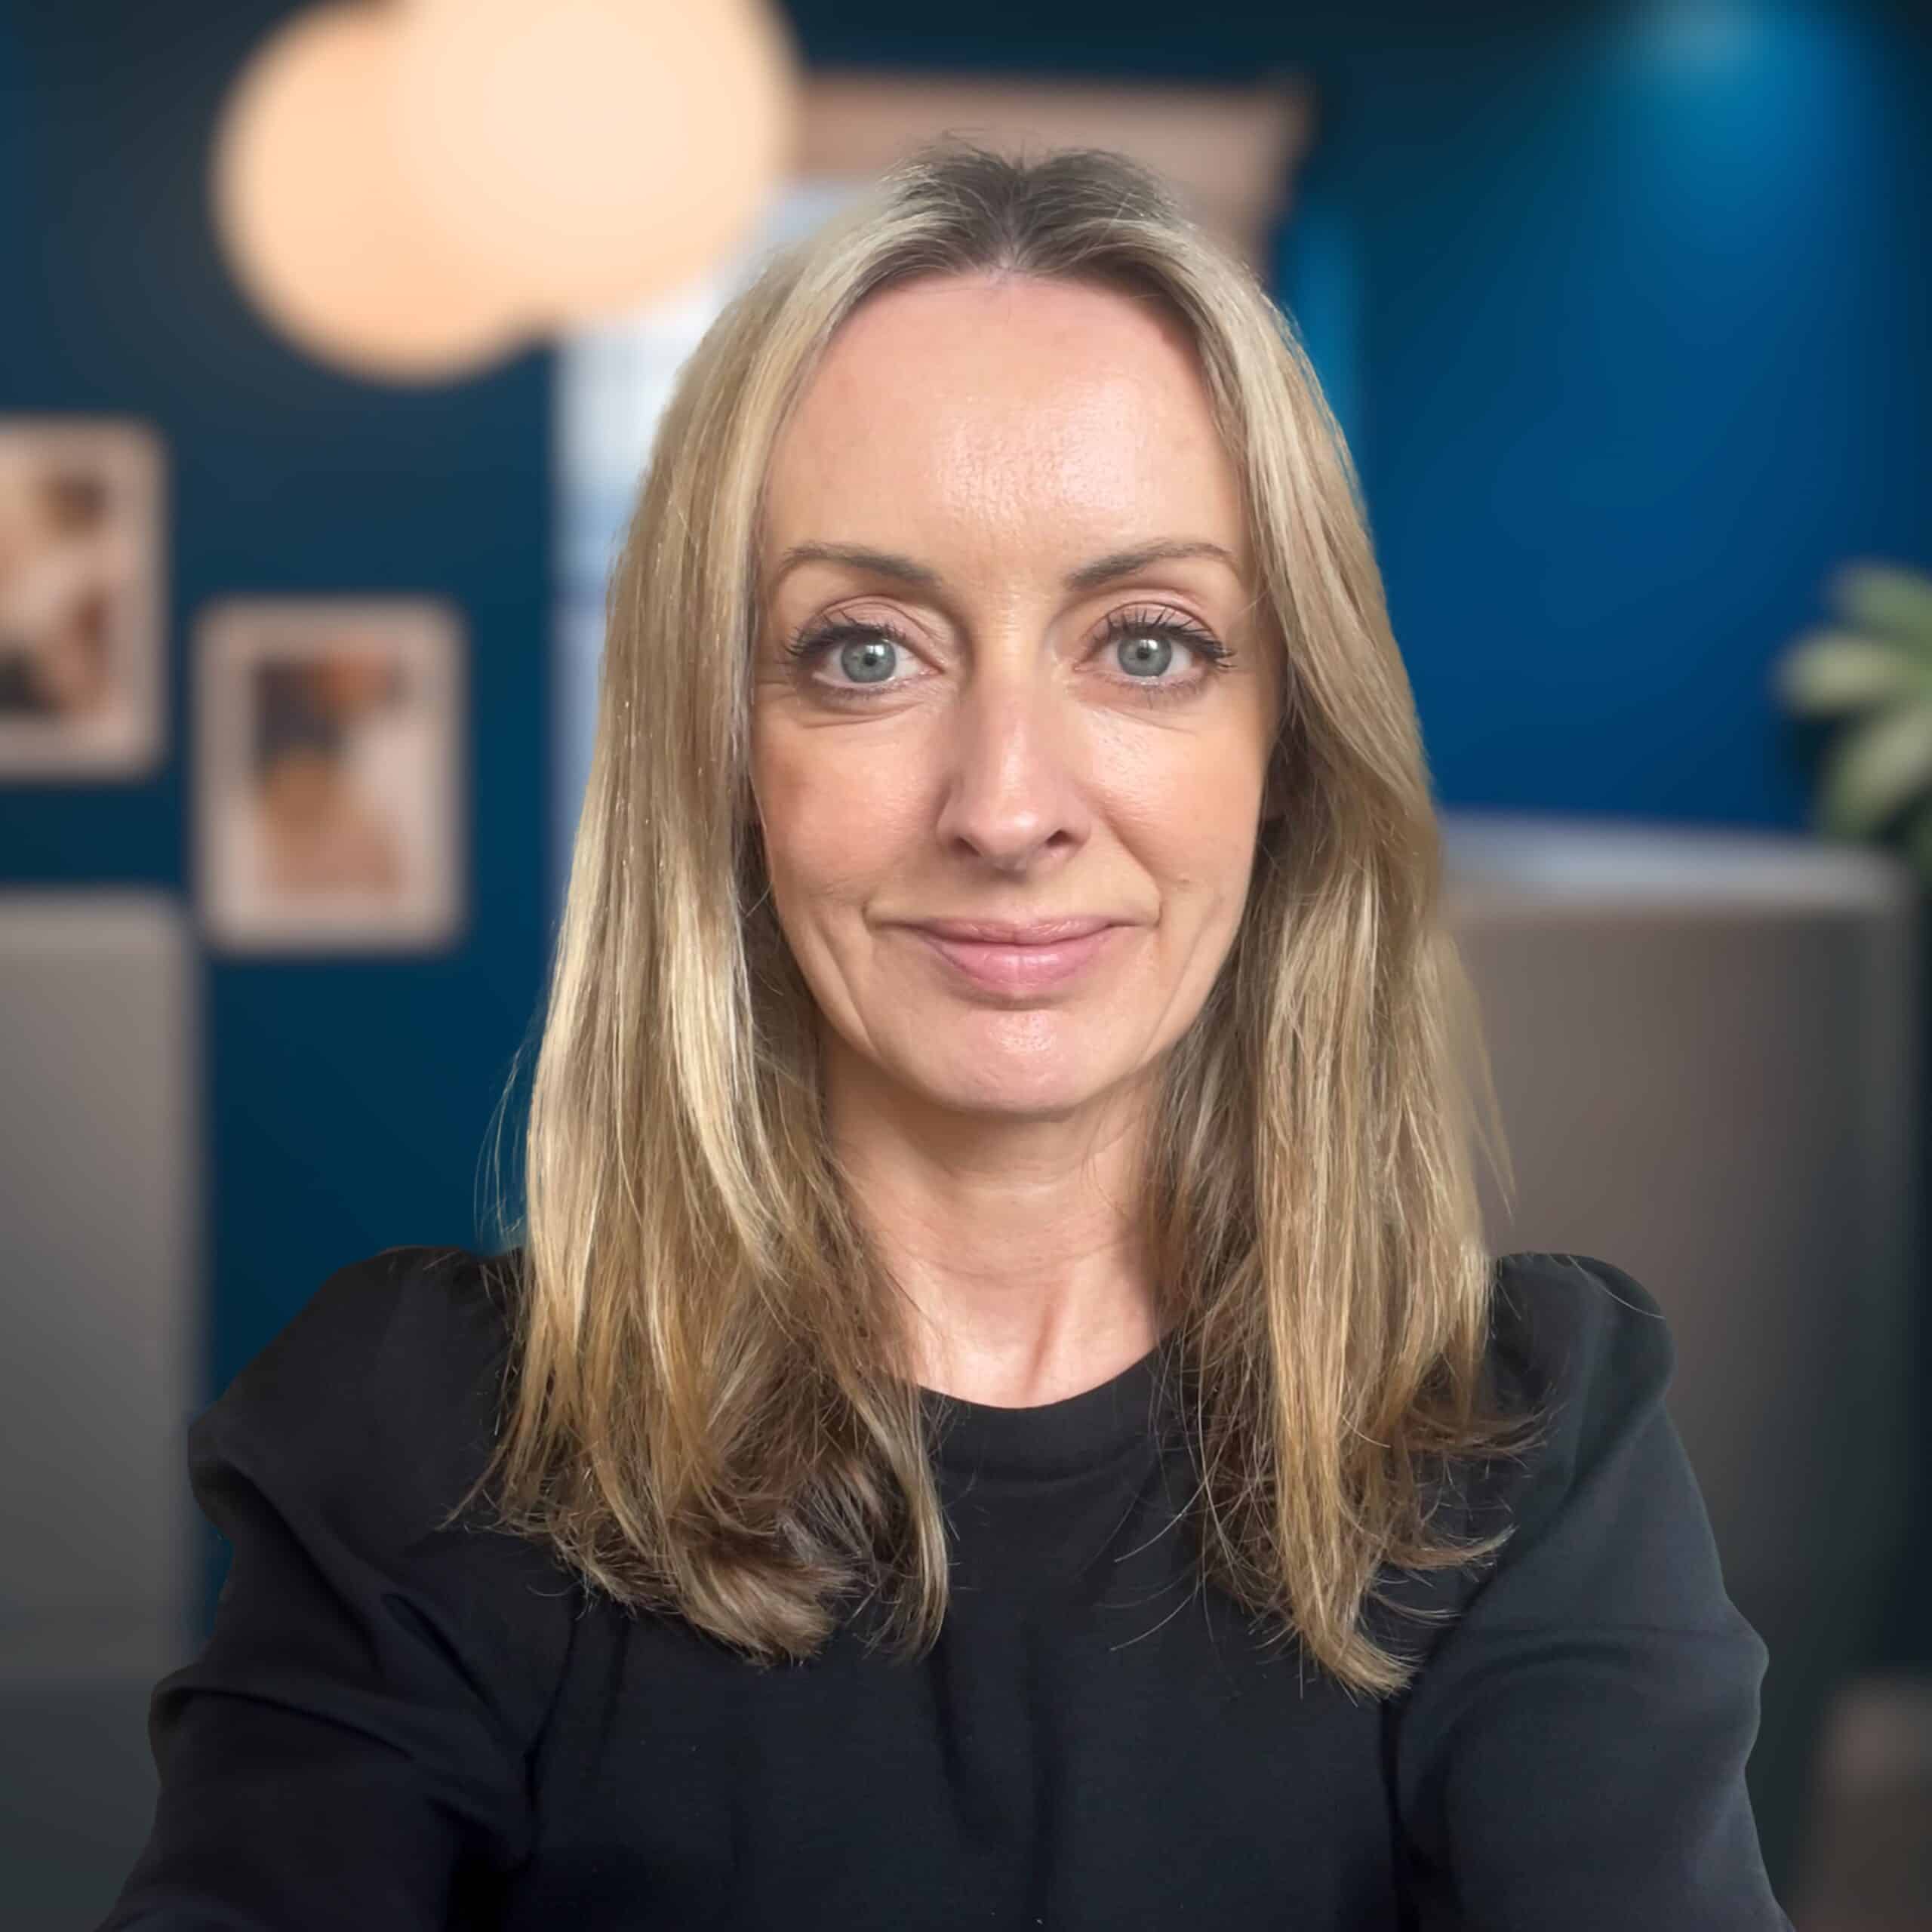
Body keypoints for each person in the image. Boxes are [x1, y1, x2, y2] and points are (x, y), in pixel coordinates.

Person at [99, 141, 1792, 1930]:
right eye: (864, 652)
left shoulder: (1522, 1433)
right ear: (722, 755)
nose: (1003, 804)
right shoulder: (423, 1440)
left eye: (1144, 645)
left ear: (1286, 751)